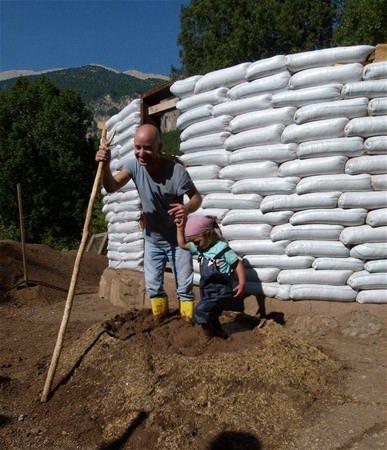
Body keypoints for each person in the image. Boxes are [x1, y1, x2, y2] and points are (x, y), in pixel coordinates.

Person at [95, 123, 202, 322]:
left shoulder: (176, 172)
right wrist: (105, 165)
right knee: (153, 286)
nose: (141, 153)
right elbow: (111, 186)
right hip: (153, 239)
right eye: (137, 147)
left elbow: (196, 198)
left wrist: (186, 208)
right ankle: (161, 322)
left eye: (147, 148)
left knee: (185, 288)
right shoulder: (134, 166)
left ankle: (188, 325)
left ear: (159, 148)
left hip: (178, 240)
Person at [176, 214, 246, 338]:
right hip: (207, 288)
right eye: (193, 242)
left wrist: (242, 283)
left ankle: (209, 336)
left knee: (200, 311)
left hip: (221, 289)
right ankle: (220, 333)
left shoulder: (221, 248)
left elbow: (237, 264)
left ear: (209, 234)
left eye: (196, 242)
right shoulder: (200, 248)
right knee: (212, 314)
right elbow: (182, 244)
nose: (194, 245)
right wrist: (180, 229)